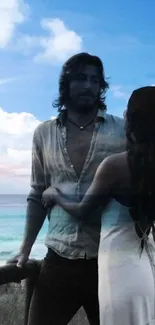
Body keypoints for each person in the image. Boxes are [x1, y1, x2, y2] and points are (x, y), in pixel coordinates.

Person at [9, 52, 125, 325]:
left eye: (95, 80)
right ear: (66, 84)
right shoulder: (43, 133)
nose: (88, 86)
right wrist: (25, 249)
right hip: (58, 259)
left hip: (109, 260)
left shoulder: (122, 129)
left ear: (101, 87)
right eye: (81, 78)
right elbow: (37, 194)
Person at [43, 86, 155, 325]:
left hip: (117, 268)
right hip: (147, 264)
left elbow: (83, 210)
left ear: (132, 118)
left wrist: (55, 194)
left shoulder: (114, 166)